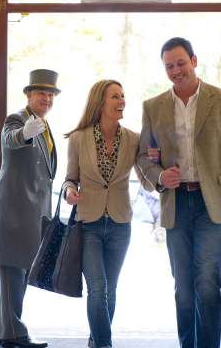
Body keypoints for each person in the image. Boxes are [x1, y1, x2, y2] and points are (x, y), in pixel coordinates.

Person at [137, 37, 221, 348]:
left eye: (180, 63)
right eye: (169, 66)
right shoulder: (153, 107)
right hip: (176, 203)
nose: (176, 71)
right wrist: (161, 175)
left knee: (206, 282)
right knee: (183, 287)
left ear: (194, 60)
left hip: (212, 204)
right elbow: (143, 157)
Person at [62, 80, 154, 348]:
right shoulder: (79, 139)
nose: (122, 101)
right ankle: (105, 344)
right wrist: (69, 192)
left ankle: (96, 340)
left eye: (123, 96)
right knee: (98, 288)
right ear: (100, 102)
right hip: (88, 223)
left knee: (110, 291)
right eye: (115, 96)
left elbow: (147, 182)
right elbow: (70, 179)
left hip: (120, 224)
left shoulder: (134, 139)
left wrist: (156, 162)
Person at [0, 69, 60, 348]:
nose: (47, 98)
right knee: (12, 272)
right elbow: (10, 139)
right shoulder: (18, 119)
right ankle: (11, 335)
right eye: (42, 92)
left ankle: (12, 331)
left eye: (51, 94)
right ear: (29, 95)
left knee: (21, 274)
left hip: (35, 213)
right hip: (14, 210)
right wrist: (23, 135)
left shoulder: (45, 124)